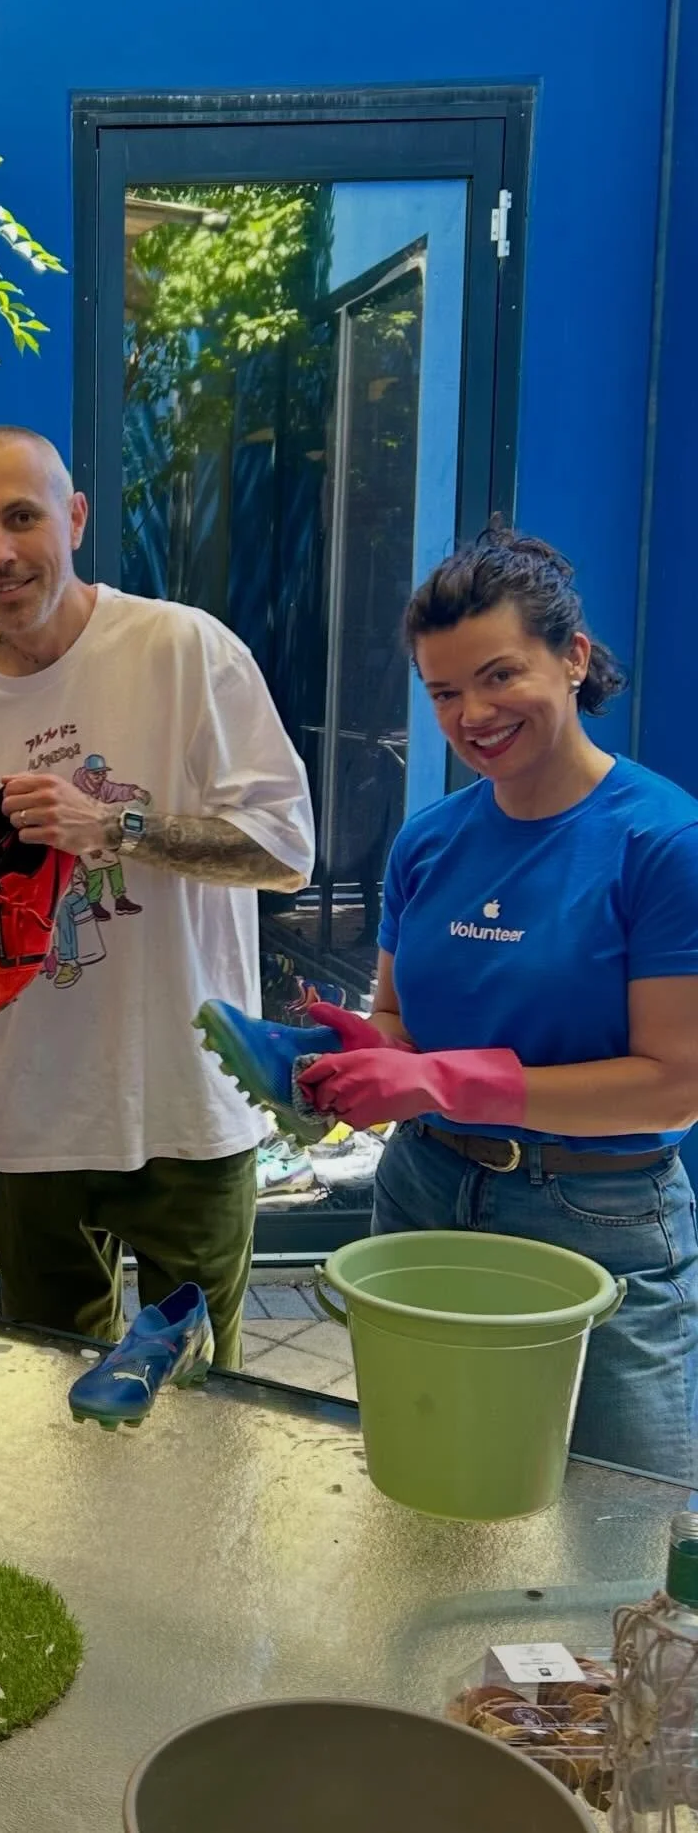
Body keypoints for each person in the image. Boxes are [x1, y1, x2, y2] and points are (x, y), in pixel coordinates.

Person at [0, 426, 314, 1365]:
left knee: (201, 1401)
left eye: (20, 518)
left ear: (75, 516)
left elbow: (286, 851)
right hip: (39, 1117)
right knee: (44, 1396)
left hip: (190, 1105)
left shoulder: (182, 649)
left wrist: (119, 828)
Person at [296, 525, 698, 1478]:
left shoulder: (663, 843)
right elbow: (398, 1021)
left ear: (574, 658)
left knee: (633, 1524)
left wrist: (441, 1082)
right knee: (428, 1480)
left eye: (498, 675)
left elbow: (673, 1088)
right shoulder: (429, 841)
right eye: (442, 691)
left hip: (599, 1216)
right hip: (425, 1194)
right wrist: (369, 1053)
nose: (471, 712)